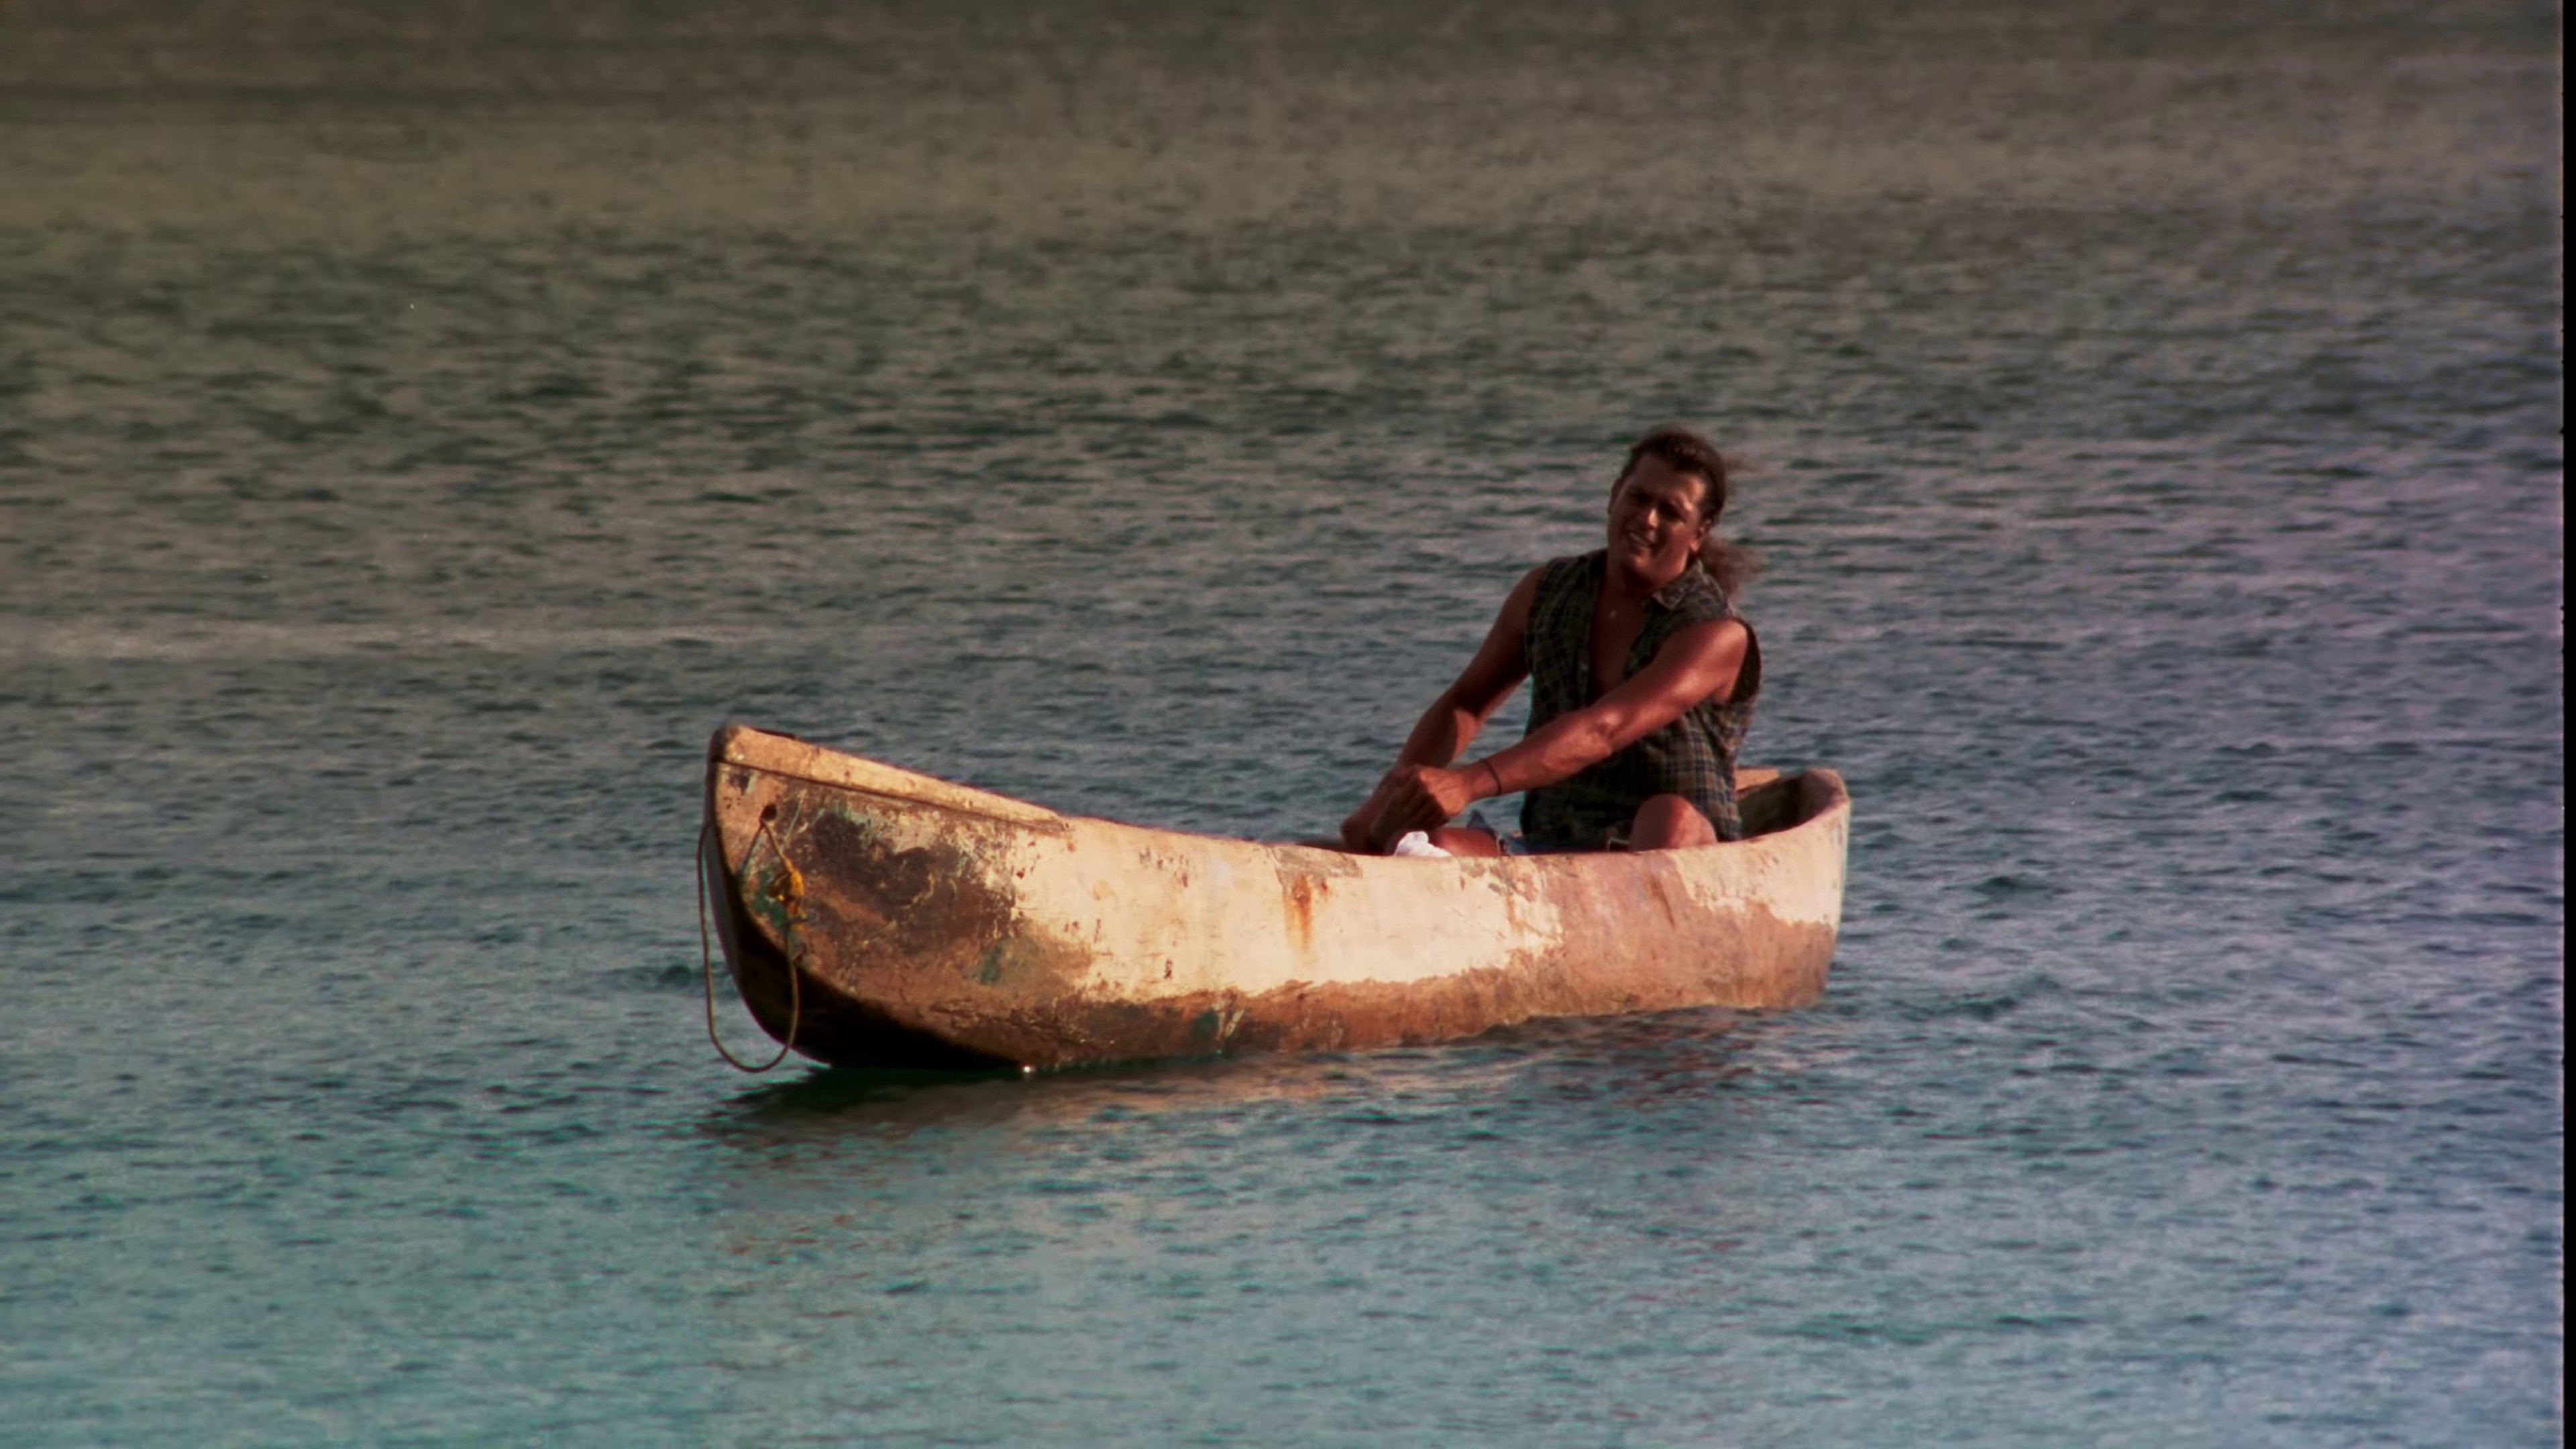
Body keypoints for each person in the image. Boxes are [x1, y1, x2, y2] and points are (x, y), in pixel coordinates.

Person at [1340, 427, 1762, 857]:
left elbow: (1603, 730)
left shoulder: (1715, 633)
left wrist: (1466, 783)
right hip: (1554, 844)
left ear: (1698, 533)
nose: (1647, 519)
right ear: (1614, 496)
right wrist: (1386, 801)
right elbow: (1466, 704)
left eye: (1670, 512)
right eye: (1638, 498)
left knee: (1667, 817)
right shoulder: (1549, 592)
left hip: (1674, 846)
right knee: (1431, 847)